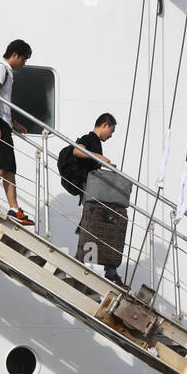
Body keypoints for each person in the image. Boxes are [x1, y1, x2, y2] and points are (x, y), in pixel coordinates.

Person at [0, 39, 35, 227]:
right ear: (15, 54)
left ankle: (14, 208)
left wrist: (13, 122)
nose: (23, 64)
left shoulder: (6, 70)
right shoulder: (0, 68)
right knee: (2, 163)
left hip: (2, 121)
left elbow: (2, 100)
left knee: (10, 167)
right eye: (24, 60)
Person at [72, 114, 123, 283]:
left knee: (98, 229)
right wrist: (99, 158)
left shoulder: (95, 142)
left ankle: (105, 268)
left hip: (95, 194)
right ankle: (98, 268)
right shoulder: (90, 138)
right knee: (98, 228)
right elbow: (76, 150)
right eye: (111, 130)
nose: (111, 135)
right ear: (105, 124)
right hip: (93, 195)